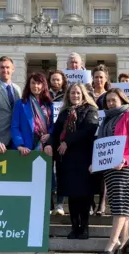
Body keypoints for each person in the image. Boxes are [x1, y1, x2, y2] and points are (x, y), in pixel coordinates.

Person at [93, 88, 129, 254]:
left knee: (119, 203)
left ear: (122, 100)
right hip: (109, 166)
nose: (111, 103)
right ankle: (126, 239)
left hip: (125, 165)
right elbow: (102, 144)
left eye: (114, 100)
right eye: (108, 101)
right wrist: (96, 162)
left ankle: (113, 242)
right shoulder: (106, 118)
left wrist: (125, 159)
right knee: (117, 201)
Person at [46, 83, 99, 239]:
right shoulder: (64, 113)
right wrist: (49, 144)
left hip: (83, 159)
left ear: (83, 94)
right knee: (72, 196)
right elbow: (55, 133)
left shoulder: (90, 110)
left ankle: (84, 227)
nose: (75, 96)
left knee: (84, 195)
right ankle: (75, 227)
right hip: (66, 160)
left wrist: (68, 141)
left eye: (78, 93)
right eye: (72, 93)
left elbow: (88, 130)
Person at [11, 72, 54, 156]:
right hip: (25, 148)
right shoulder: (20, 104)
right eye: (33, 83)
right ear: (29, 85)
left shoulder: (49, 104)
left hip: (45, 146)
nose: (35, 86)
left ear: (43, 85)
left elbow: (53, 125)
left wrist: (49, 135)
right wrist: (20, 145)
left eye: (38, 83)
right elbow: (14, 126)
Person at [91, 64, 111, 216]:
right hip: (89, 137)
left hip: (104, 137)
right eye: (96, 77)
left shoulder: (110, 95)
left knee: (103, 171)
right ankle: (90, 202)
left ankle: (102, 203)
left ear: (106, 79)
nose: (98, 80)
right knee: (89, 170)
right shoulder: (88, 94)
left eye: (101, 77)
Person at [48, 70, 69, 215]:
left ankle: (60, 203)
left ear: (63, 81)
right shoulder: (45, 95)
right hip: (48, 136)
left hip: (62, 136)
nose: (56, 82)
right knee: (48, 171)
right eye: (53, 79)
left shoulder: (67, 96)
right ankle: (49, 203)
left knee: (61, 170)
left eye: (58, 80)